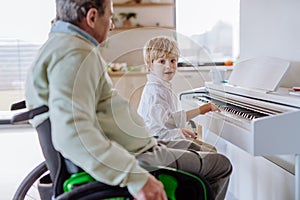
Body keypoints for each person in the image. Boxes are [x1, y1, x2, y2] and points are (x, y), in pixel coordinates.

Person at [25, 0, 232, 199]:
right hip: (138, 158)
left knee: (197, 149)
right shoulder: (74, 54)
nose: (112, 25)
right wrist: (136, 178)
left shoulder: (61, 47)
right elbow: (72, 135)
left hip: (140, 148)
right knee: (220, 164)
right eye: (110, 17)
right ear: (92, 17)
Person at [138, 36, 217, 152]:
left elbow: (162, 122)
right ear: (150, 65)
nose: (169, 66)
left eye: (172, 60)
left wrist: (178, 131)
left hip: (162, 138)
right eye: (162, 61)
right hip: (159, 145)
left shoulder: (160, 86)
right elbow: (168, 121)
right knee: (211, 153)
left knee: (210, 149)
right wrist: (201, 109)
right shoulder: (155, 91)